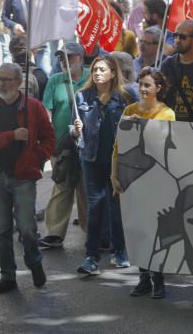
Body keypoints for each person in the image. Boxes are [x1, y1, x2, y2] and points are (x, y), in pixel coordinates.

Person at [0, 63, 55, 294]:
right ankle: (8, 276)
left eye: (7, 79)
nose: (2, 84)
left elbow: (49, 140)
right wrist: (12, 136)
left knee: (28, 228)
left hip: (23, 176)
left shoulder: (34, 108)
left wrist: (35, 158)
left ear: (19, 82)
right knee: (1, 231)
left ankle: (34, 262)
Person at [113, 67, 175, 298]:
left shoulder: (167, 113)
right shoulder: (129, 110)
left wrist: (141, 125)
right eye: (141, 84)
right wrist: (114, 175)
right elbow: (118, 145)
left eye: (148, 85)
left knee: (155, 230)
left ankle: (158, 279)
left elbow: (160, 142)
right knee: (137, 228)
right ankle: (143, 278)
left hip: (157, 178)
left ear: (158, 88)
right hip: (132, 177)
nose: (143, 89)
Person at [74, 56, 133, 277]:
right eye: (95, 70)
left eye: (102, 69)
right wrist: (75, 130)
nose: (97, 73)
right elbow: (75, 131)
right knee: (95, 206)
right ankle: (91, 256)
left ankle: (120, 252)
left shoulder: (126, 97)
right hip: (91, 158)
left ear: (113, 73)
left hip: (117, 159)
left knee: (117, 206)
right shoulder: (82, 96)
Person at [38, 43, 89, 250]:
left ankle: (92, 231)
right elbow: (46, 112)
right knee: (62, 187)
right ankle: (54, 234)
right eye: (61, 58)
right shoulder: (55, 80)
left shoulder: (91, 78)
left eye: (70, 57)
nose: (64, 61)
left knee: (87, 189)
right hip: (62, 146)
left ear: (80, 58)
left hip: (88, 145)